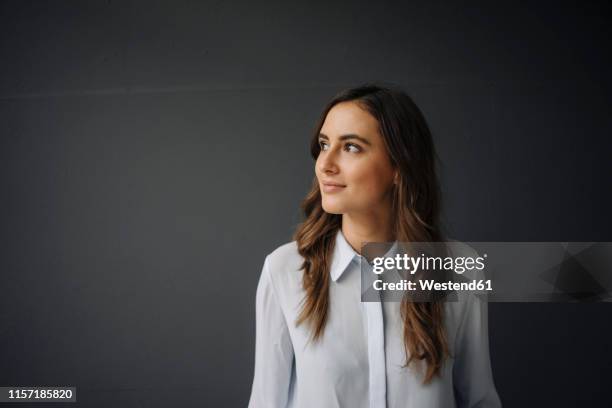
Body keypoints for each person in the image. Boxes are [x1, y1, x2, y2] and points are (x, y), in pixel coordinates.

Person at [247, 84, 502, 408]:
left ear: (399, 166)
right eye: (324, 145)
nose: (325, 164)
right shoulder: (284, 269)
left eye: (351, 147)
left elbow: (479, 400)